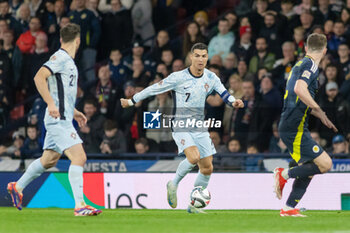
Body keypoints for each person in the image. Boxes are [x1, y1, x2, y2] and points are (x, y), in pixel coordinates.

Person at [120, 43, 244, 213]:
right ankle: (173, 183)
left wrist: (233, 101)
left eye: (204, 56)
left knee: (207, 167)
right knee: (194, 157)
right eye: (198, 55)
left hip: (199, 125)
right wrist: (131, 100)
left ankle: (193, 205)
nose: (201, 59)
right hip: (180, 124)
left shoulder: (211, 77)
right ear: (191, 57)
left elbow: (224, 93)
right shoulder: (178, 77)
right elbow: (154, 88)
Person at [7, 23, 101, 216]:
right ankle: (80, 205)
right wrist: (50, 104)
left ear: (60, 39)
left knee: (49, 159)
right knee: (79, 157)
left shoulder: (65, 60)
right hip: (58, 120)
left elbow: (61, 93)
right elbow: (38, 77)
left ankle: (18, 186)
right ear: (78, 40)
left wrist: (73, 110)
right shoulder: (60, 58)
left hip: (62, 117)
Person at [274, 33, 338, 217]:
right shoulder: (310, 65)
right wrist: (320, 110)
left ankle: (288, 208)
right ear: (325, 50)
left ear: (306, 48)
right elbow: (299, 89)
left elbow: (299, 97)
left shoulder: (300, 64)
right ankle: (283, 174)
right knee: (326, 164)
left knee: (310, 167)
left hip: (292, 124)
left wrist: (319, 113)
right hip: (294, 126)